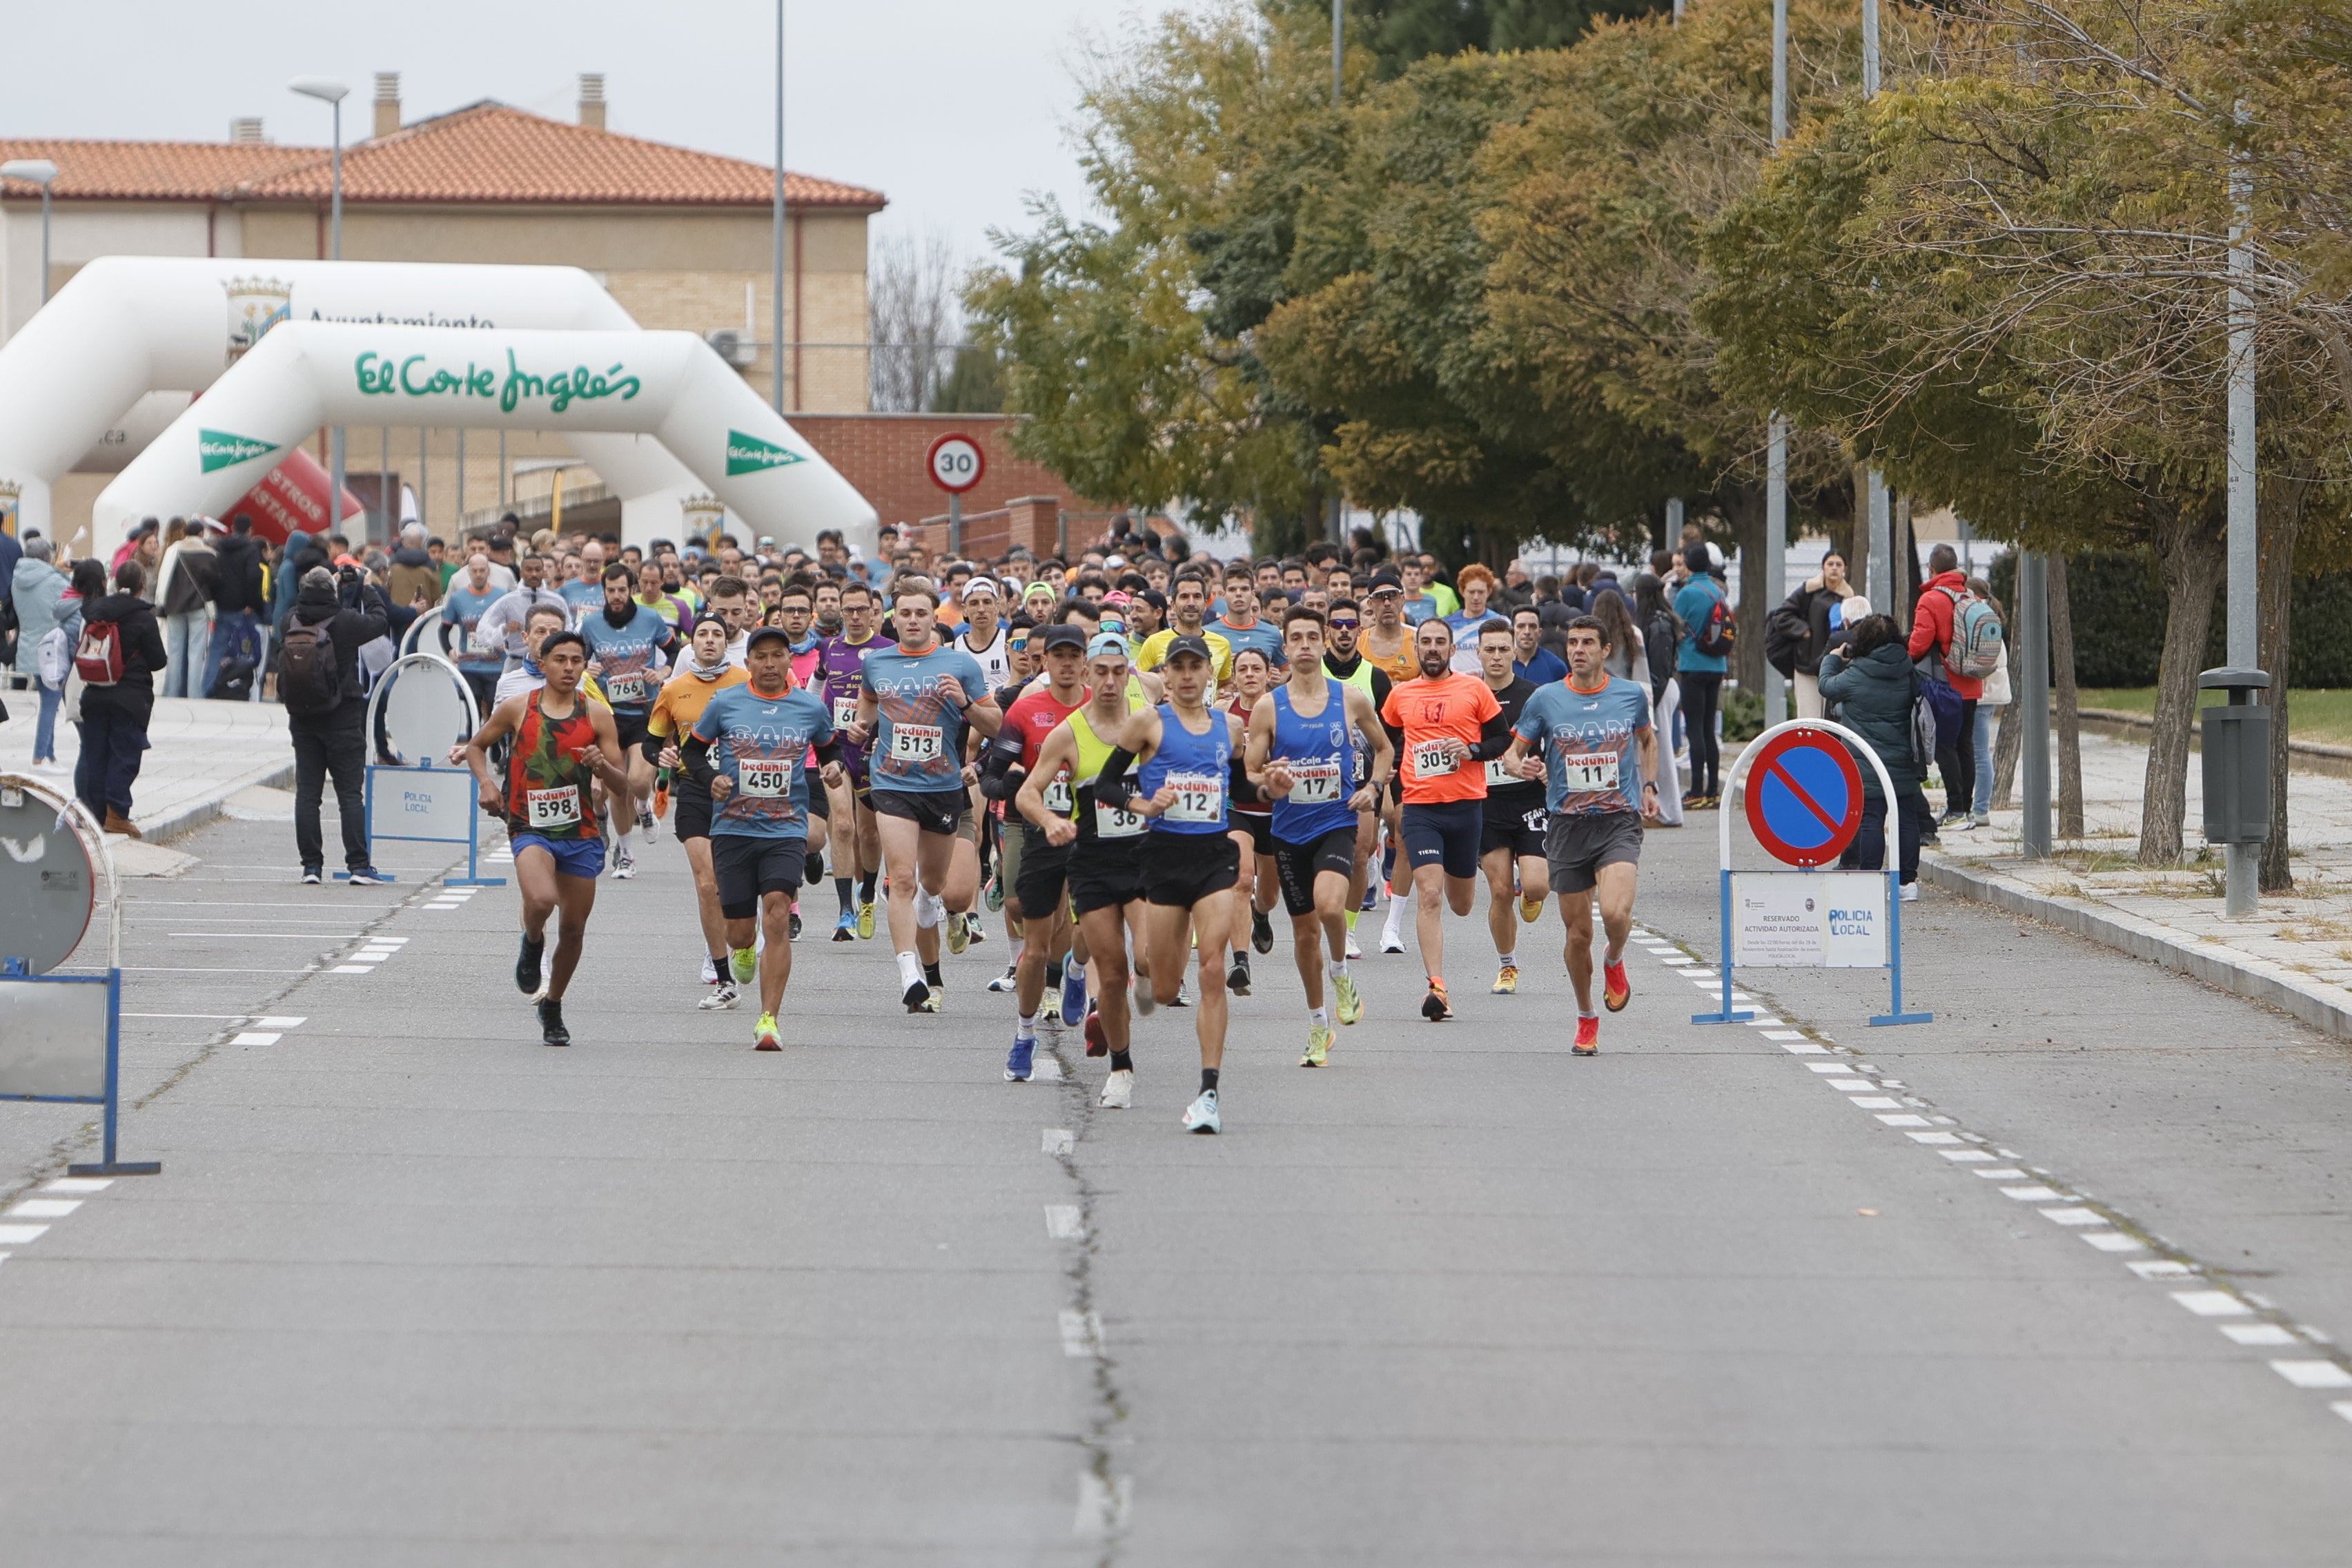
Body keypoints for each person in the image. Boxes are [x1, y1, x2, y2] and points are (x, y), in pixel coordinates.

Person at [1093, 635, 1241, 1133]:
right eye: (1178, 667)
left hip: (1215, 858)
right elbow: (1106, 784)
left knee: (1213, 967)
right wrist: (1143, 805)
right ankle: (1144, 978)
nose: (1187, 675)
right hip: (1163, 859)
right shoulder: (1148, 722)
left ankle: (1208, 1093)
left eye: (1196, 666)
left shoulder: (1229, 727)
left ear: (1209, 672)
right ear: (1167, 674)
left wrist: (1270, 785)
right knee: (1164, 986)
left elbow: (1243, 786)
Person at [1499, 615, 1662, 1055]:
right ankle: (1587, 1015)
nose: (1578, 650)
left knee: (1614, 913)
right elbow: (1512, 755)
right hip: (1567, 825)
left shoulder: (1629, 695)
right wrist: (1523, 767)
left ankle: (1614, 959)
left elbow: (1647, 741)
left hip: (1617, 820)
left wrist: (1649, 786)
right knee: (1577, 935)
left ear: (1605, 650)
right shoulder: (1546, 699)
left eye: (1588, 642)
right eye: (1573, 642)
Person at [459, 630, 631, 1046]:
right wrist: (487, 784)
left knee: (573, 929)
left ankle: (552, 1005)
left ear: (585, 666)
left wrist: (601, 768)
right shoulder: (518, 707)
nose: (569, 668)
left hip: (580, 831)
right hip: (529, 825)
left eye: (577, 660)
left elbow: (623, 785)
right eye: (560, 660)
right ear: (543, 663)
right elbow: (476, 747)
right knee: (540, 900)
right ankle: (533, 940)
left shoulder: (597, 715)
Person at [682, 623, 845, 1050]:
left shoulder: (809, 707)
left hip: (785, 828)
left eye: (778, 655)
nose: (770, 664)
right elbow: (692, 751)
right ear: (748, 662)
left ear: (790, 660)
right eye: (761, 656)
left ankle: (768, 1019)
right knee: (739, 933)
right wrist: (711, 779)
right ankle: (742, 948)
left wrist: (833, 767)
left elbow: (830, 749)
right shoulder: (726, 702)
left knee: (777, 911)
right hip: (733, 828)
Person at [1015, 633, 1158, 1105]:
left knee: (1148, 960)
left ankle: (1109, 974)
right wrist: (1050, 821)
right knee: (1112, 975)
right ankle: (1121, 1068)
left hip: (1142, 858)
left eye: (1119, 672)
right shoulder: (1068, 733)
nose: (1111, 681)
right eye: (1102, 672)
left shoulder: (1148, 723)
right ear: (1088, 674)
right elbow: (1027, 793)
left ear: (1129, 674)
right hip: (1093, 863)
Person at [1246, 605, 1392, 1066]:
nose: (1306, 645)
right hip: (1289, 832)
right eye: (1297, 638)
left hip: (1336, 822)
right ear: (1285, 647)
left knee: (1330, 906)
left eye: (1313, 636)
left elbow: (1385, 748)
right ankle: (1317, 1024)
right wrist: (1269, 781)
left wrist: (1373, 788)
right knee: (1304, 934)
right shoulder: (1269, 706)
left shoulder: (1350, 698)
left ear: (1324, 640)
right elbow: (1251, 771)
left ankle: (1341, 972)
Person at [844, 580, 999, 1012]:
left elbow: (997, 726)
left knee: (936, 886)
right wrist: (860, 727)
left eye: (921, 614)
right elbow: (867, 706)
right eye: (905, 614)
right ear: (892, 619)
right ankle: (909, 974)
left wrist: (966, 703)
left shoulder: (960, 664)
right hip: (892, 784)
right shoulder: (877, 662)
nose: (912, 621)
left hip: (942, 787)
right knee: (902, 879)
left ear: (935, 619)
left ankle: (932, 905)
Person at [1380, 618, 1506, 1023]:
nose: (1432, 648)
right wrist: (1387, 780)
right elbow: (1384, 742)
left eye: (1440, 642)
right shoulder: (1401, 695)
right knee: (1430, 894)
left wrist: (1472, 750)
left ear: (1452, 650)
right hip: (1420, 809)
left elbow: (1502, 739)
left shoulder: (1474, 689)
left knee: (1462, 904)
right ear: (1416, 649)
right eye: (1425, 642)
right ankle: (1437, 986)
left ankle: (1461, 882)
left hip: (1466, 807)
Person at [982, 623, 1091, 1080]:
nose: (1066, 663)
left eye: (1073, 656)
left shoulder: (1106, 709)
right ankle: (1024, 1034)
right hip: (1038, 830)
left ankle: (1077, 971)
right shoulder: (1026, 711)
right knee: (1036, 940)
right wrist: (1009, 783)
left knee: (1094, 926)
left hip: (1094, 835)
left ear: (1085, 662)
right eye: (1057, 656)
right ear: (1045, 662)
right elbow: (991, 777)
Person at [648, 616, 753, 1008]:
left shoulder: (747, 681)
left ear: (728, 643)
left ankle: (744, 934)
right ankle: (723, 975)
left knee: (738, 880)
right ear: (692, 644)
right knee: (708, 882)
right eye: (702, 635)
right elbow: (652, 742)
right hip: (694, 789)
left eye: (717, 635)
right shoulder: (674, 689)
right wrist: (660, 756)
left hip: (743, 791)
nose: (710, 641)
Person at [277, 565, 391, 885]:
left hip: (302, 720)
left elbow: (301, 607)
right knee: (350, 795)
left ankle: (311, 867)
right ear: (331, 593)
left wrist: (330, 585)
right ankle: (359, 866)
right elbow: (380, 620)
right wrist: (366, 587)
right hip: (343, 718)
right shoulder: (346, 622)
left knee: (308, 794)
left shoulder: (290, 621)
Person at [1819, 614, 1928, 900]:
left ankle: (1870, 880)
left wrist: (1832, 658)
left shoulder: (1855, 675)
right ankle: (1907, 884)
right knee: (1907, 819)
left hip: (1866, 765)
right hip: (1904, 760)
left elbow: (1826, 686)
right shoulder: (1907, 670)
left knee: (1871, 819)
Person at [578, 563, 677, 877]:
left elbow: (674, 651)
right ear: (604, 592)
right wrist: (585, 669)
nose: (617, 596)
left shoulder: (650, 618)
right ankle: (627, 856)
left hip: (643, 713)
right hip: (608, 715)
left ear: (631, 590)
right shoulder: (591, 624)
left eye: (622, 590)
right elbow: (576, 660)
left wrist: (662, 672)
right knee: (617, 790)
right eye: (611, 591)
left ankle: (644, 807)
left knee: (637, 782)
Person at [1472, 622, 1551, 996]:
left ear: (1514, 652)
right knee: (1501, 891)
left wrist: (1550, 769)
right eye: (1490, 650)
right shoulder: (1469, 694)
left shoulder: (1534, 695)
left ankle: (1532, 894)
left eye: (1504, 649)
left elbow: (1556, 741)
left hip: (1530, 801)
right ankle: (1507, 965)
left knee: (1537, 884)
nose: (1497, 657)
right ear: (1478, 653)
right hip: (1487, 805)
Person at [816, 580, 894, 939]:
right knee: (843, 826)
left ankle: (867, 895)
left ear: (874, 612)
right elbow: (816, 687)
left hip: (872, 752)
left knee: (869, 834)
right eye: (849, 610)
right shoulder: (829, 647)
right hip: (835, 748)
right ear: (841, 612)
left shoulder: (887, 650)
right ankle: (845, 910)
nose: (856, 616)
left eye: (863, 609)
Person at [74, 558, 168, 836]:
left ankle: (96, 814)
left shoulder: (94, 612)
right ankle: (116, 813)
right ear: (142, 586)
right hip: (130, 697)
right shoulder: (143, 617)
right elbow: (158, 660)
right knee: (124, 755)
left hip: (94, 691)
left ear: (115, 583)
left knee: (96, 754)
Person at [1908, 543, 1984, 828]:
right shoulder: (1970, 595)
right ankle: (1966, 808)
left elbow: (1919, 643)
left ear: (1932, 569)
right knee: (1965, 745)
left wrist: (1904, 658)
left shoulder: (1930, 600)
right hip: (1972, 682)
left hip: (1945, 687)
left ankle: (1955, 810)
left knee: (1944, 746)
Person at [1222, 646, 1280, 995]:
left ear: (1268, 673)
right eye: (1242, 669)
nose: (1249, 675)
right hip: (1236, 809)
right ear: (1234, 676)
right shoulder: (1222, 714)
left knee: (1269, 894)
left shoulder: (1283, 710)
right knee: (1242, 880)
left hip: (1275, 812)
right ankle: (1240, 961)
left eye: (1256, 668)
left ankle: (1261, 913)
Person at [1672, 544, 1728, 808]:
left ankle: (1696, 790)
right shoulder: (1718, 590)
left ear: (1688, 564)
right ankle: (1713, 790)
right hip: (1717, 664)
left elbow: (1675, 626)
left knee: (1694, 727)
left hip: (1692, 664)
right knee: (1708, 729)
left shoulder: (1687, 593)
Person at [1631, 573, 1685, 828]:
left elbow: (1659, 670)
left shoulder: (1658, 624)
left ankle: (1670, 811)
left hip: (1658, 691)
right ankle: (1664, 809)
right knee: (1658, 750)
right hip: (1659, 689)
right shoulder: (1661, 621)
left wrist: (1650, 702)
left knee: (1661, 751)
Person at [12, 537, 70, 772]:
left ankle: (50, 755)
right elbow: (69, 602)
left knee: (48, 700)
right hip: (52, 647)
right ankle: (40, 757)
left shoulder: (18, 578)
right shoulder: (54, 580)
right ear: (48, 556)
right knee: (50, 703)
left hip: (29, 644)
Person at [1779, 551, 1851, 721]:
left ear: (1845, 570)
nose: (1834, 568)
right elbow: (1782, 615)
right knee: (1808, 719)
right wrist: (1803, 631)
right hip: (1807, 666)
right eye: (1830, 564)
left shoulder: (1849, 598)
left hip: (1835, 668)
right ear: (1823, 568)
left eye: (1839, 565)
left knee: (1832, 720)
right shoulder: (1808, 591)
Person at [204, 517, 270, 703]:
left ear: (233, 528)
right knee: (244, 650)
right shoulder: (251, 550)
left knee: (217, 649)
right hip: (243, 608)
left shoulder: (219, 547)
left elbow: (213, 574)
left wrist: (215, 597)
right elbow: (253, 577)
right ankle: (237, 686)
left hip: (221, 606)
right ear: (250, 530)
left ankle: (208, 688)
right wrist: (254, 605)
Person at [153, 520, 219, 699]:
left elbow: (164, 579)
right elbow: (215, 582)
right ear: (201, 534)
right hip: (198, 607)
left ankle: (172, 692)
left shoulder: (173, 550)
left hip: (174, 606)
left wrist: (161, 605)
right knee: (196, 653)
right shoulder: (209, 553)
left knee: (174, 651)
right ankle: (194, 694)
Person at [438, 553, 508, 718]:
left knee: (493, 710)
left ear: (488, 571)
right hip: (469, 666)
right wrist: (449, 651)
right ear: (469, 572)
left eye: (482, 570)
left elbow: (512, 627)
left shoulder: (502, 596)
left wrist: (505, 643)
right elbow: (444, 629)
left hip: (496, 665)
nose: (478, 575)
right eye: (475, 571)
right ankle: (473, 735)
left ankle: (494, 737)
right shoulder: (458, 598)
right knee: (473, 712)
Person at [1135, 571, 1234, 687]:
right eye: (1184, 597)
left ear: (1205, 604)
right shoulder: (1153, 643)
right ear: (1173, 605)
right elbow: (1140, 684)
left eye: (1197, 597)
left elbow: (1225, 684)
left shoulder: (1222, 644)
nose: (1191, 603)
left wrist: (1223, 694)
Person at [1966, 578, 2009, 829]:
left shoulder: (1982, 620)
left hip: (1982, 694)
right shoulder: (1987, 618)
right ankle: (1977, 806)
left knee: (1980, 753)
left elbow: (1984, 661)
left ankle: (1981, 809)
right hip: (1985, 694)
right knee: (1978, 752)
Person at [1208, 567, 1284, 670]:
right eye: (1232, 590)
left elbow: (1286, 670)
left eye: (1244, 589)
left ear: (1253, 594)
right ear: (1224, 595)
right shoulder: (1208, 633)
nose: (1238, 594)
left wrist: (1277, 677)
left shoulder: (1273, 633)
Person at [1442, 564, 1511, 674]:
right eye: (1471, 592)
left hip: (1489, 682)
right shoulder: (1447, 624)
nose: (1476, 597)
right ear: (1462, 591)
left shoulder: (1502, 623)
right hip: (1458, 682)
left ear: (1489, 592)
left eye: (1481, 592)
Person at [1358, 571, 1416, 680]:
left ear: (1402, 600)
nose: (1387, 603)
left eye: (1393, 596)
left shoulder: (1417, 641)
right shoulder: (1359, 643)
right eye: (1379, 597)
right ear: (1370, 604)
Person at [388, 522, 442, 611]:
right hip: (422, 614)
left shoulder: (392, 566)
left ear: (404, 543)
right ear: (421, 544)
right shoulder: (431, 568)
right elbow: (436, 595)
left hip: (397, 614)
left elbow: (385, 591)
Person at [1512, 605, 1567, 685]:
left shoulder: (1556, 667)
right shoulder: (1502, 664)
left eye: (1532, 626)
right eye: (1521, 626)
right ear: (1513, 631)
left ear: (1540, 632)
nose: (1527, 632)